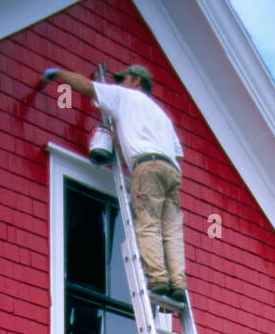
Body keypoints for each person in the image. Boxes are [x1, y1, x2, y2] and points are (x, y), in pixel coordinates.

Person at [44, 63, 187, 302]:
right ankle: (178, 282)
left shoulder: (125, 97)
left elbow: (87, 87)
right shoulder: (162, 116)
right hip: (171, 172)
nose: (119, 83)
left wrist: (58, 74)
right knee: (171, 230)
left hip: (147, 166)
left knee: (148, 221)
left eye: (124, 79)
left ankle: (159, 279)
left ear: (137, 82)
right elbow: (178, 153)